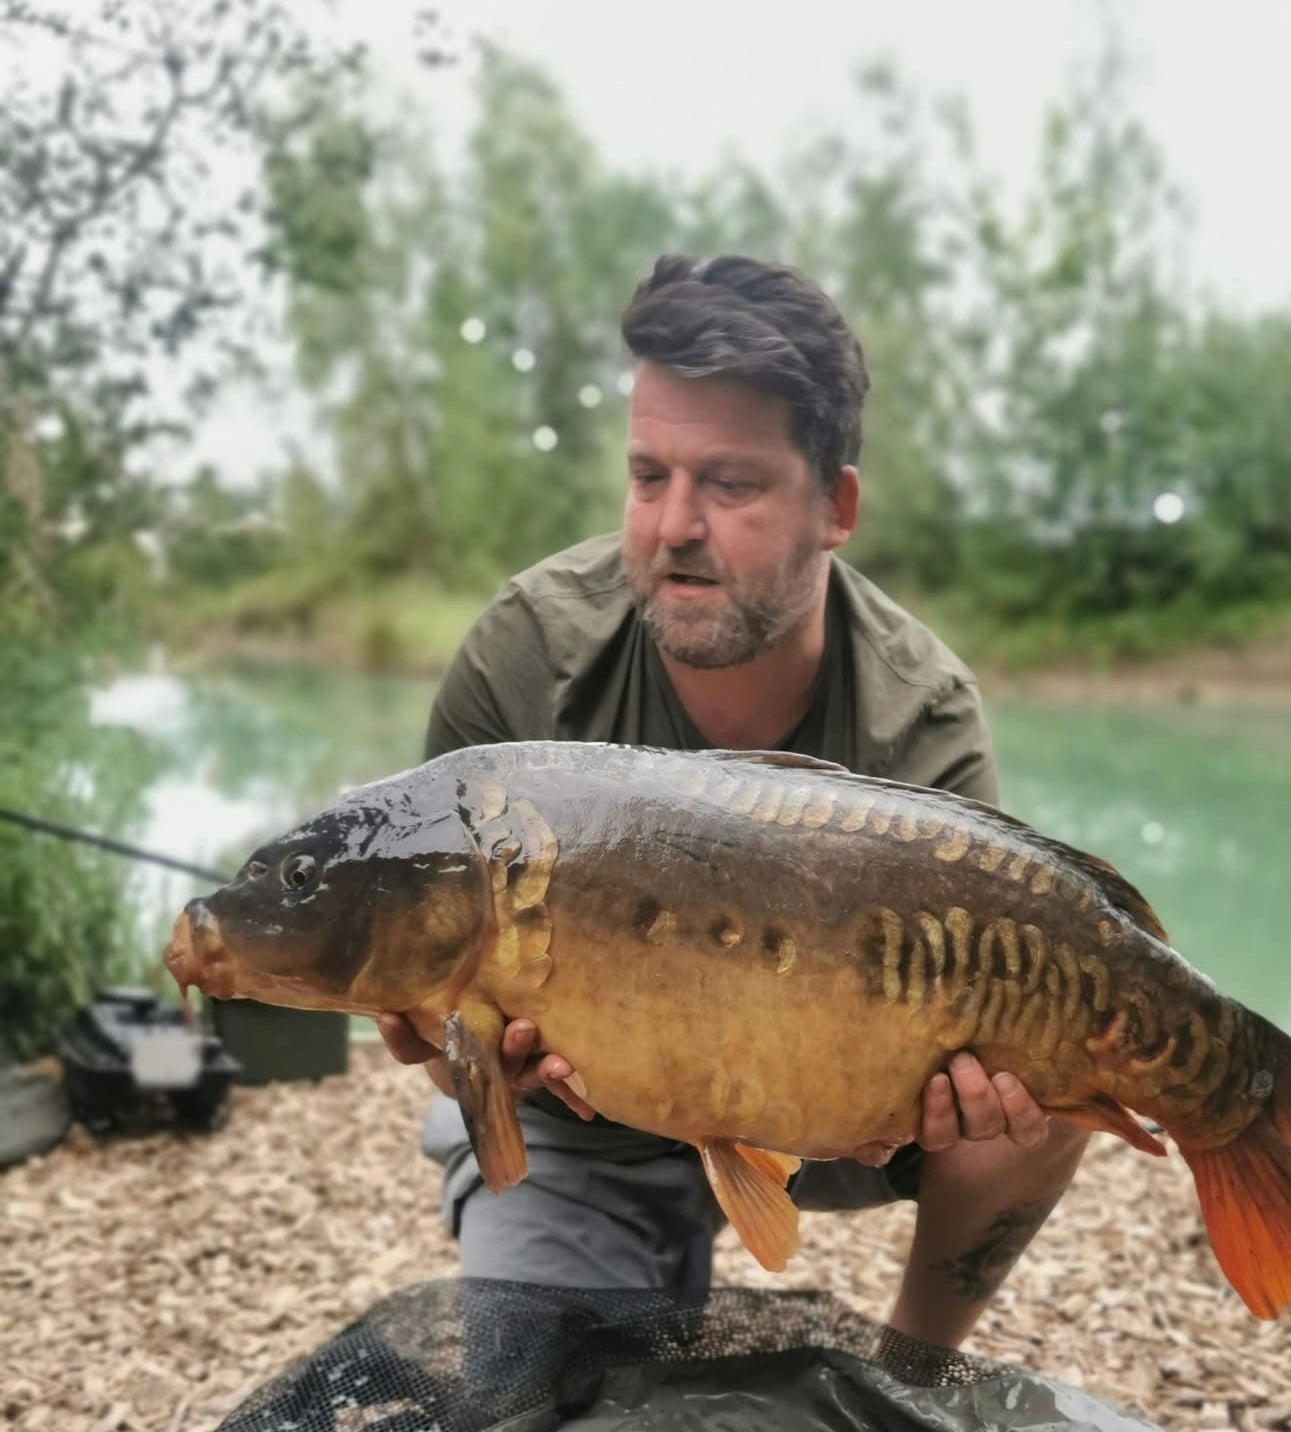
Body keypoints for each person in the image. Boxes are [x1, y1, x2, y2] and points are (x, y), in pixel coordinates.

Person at [376, 253, 1089, 1351]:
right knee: (542, 1387)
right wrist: (447, 1040)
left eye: (731, 483)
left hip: (835, 1107)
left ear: (835, 507)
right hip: (586, 1116)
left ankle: (914, 1364)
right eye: (648, 475)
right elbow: (440, 1011)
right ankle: (619, 1248)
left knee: (1046, 1082)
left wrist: (925, 1093)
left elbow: (978, 1049)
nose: (673, 525)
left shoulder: (917, 714)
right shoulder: (525, 661)